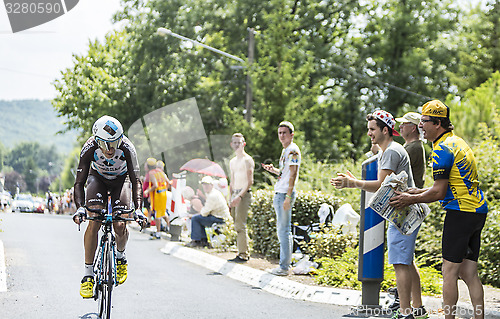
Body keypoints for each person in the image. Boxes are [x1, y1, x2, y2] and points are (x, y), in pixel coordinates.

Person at [390, 100, 488, 319]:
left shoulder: (441, 149)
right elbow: (447, 184)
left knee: (449, 271)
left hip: (460, 212)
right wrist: (417, 192)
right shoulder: (456, 141)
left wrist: (408, 199)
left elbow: (439, 193)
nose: (421, 126)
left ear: (438, 123)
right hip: (477, 210)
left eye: (424, 121)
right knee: (469, 272)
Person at [330, 110, 427, 319]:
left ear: (385, 130)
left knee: (400, 263)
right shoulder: (388, 150)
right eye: (368, 130)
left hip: (402, 212)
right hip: (405, 212)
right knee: (407, 260)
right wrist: (354, 180)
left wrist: (352, 183)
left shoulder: (391, 151)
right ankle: (417, 309)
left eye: (372, 129)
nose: (369, 134)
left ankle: (405, 312)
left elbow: (381, 186)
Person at [72, 115, 145, 299]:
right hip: (98, 179)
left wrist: (138, 209)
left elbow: (136, 180)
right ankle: (88, 275)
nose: (111, 149)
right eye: (105, 144)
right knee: (94, 221)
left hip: (122, 180)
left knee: (120, 224)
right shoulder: (89, 148)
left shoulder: (127, 148)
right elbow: (79, 182)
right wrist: (80, 208)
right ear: (97, 141)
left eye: (115, 143)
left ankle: (120, 257)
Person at [262, 121, 301, 276]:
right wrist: (274, 170)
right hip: (281, 192)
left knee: (283, 231)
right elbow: (285, 173)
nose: (282, 136)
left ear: (292, 134)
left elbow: (293, 174)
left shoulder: (292, 150)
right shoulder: (286, 150)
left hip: (284, 194)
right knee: (283, 230)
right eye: (280, 133)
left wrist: (288, 196)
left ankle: (284, 267)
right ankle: (284, 265)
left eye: (285, 133)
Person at [228, 133, 254, 263]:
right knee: (236, 224)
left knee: (240, 224)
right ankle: (241, 251)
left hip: (243, 194)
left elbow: (250, 181)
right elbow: (232, 182)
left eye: (239, 142)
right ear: (231, 144)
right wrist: (230, 198)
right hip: (235, 194)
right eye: (234, 142)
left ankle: (243, 255)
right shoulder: (232, 161)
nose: (237, 144)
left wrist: (239, 196)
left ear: (244, 143)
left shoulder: (247, 160)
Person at [187, 176, 230, 248]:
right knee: (199, 218)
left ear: (212, 185)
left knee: (195, 219)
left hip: (220, 218)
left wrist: (193, 215)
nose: (205, 186)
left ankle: (197, 240)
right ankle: (203, 240)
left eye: (207, 185)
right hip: (219, 217)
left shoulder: (212, 195)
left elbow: (204, 213)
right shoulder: (214, 193)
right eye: (204, 184)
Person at [396, 112, 426, 188]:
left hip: (411, 195)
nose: (400, 126)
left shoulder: (414, 148)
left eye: (404, 124)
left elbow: (395, 170)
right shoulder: (411, 146)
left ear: (413, 128)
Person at [144, 159, 171, 240]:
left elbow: (155, 185)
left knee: (157, 214)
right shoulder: (161, 172)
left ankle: (158, 233)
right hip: (163, 194)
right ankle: (169, 227)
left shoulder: (151, 173)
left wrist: (147, 191)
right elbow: (168, 183)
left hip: (157, 195)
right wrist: (164, 189)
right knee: (162, 212)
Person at [142, 157, 156, 227]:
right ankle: (149, 221)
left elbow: (154, 185)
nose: (144, 166)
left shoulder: (151, 173)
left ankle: (149, 221)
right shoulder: (148, 173)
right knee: (148, 208)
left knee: (150, 209)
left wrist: (148, 193)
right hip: (146, 195)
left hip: (148, 195)